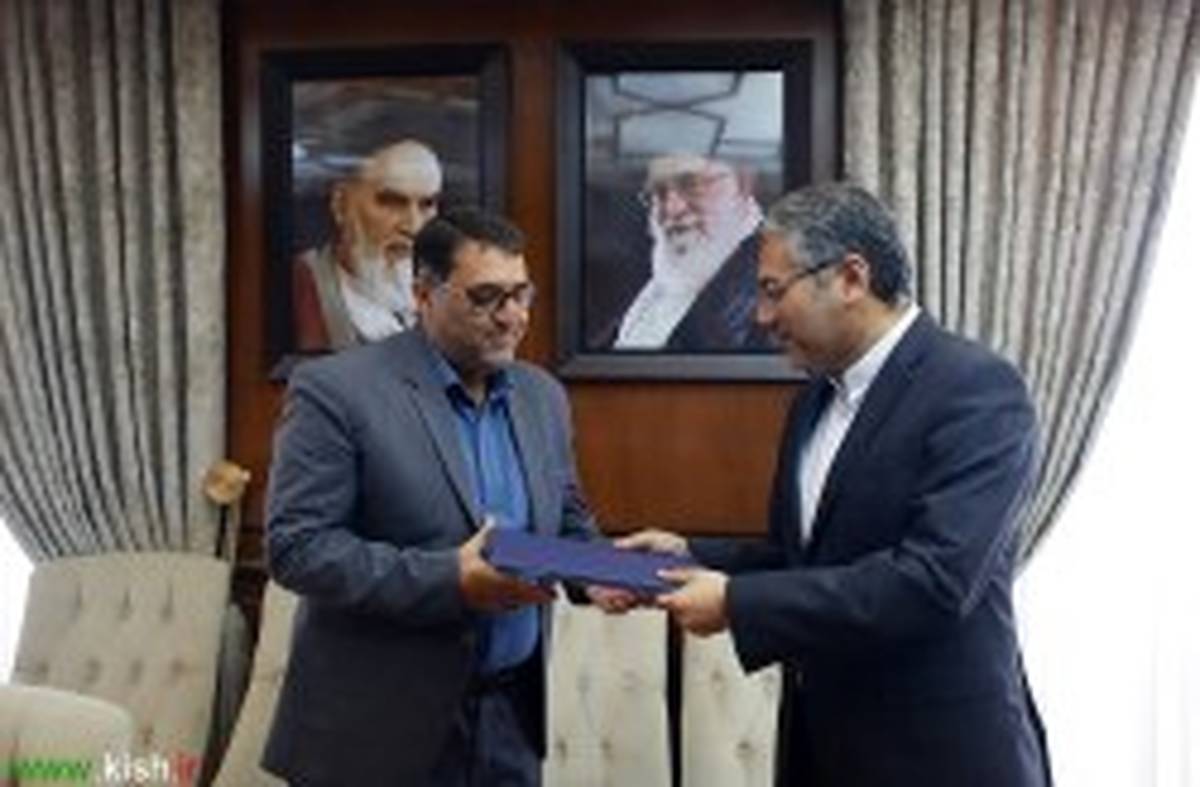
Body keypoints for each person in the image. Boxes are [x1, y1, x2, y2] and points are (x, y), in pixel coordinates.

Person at [614, 183, 1052, 786]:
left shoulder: (975, 389)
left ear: (850, 277)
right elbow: (804, 561)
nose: (762, 317)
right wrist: (690, 555)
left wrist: (736, 603)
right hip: (824, 749)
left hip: (939, 758)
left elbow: (934, 581)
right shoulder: (813, 400)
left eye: (774, 291)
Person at [263, 207, 604, 786]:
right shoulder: (335, 390)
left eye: (522, 294)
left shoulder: (542, 395)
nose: (513, 317)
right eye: (487, 297)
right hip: (375, 735)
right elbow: (297, 548)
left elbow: (565, 520)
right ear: (423, 294)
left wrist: (605, 570)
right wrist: (450, 579)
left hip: (509, 722)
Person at [609, 152, 771, 351]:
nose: (671, 209)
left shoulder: (773, 286)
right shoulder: (649, 274)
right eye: (658, 192)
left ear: (744, 185)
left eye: (692, 185)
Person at [292, 138, 442, 351]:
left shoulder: (443, 288)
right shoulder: (301, 284)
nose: (414, 227)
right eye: (392, 202)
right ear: (341, 204)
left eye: (427, 205)